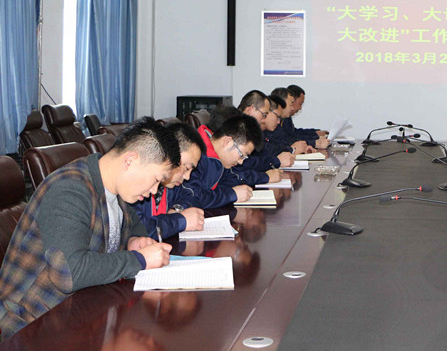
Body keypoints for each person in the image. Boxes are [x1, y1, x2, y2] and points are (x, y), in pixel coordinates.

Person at [0, 117, 176, 337]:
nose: (154, 191)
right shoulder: (70, 189)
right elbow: (69, 274)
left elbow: (133, 224)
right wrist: (139, 260)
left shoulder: (113, 186)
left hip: (79, 312)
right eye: (156, 180)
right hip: (30, 325)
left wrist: (135, 240)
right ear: (130, 160)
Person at [132, 123, 206, 241]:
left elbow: (192, 196)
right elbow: (139, 229)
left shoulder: (170, 184)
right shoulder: (137, 184)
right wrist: (181, 220)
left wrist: (176, 210)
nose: (187, 177)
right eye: (186, 168)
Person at [177, 111, 262, 209]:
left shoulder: (218, 157)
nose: (241, 161)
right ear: (227, 141)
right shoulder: (196, 156)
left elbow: (230, 178)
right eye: (241, 155)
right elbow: (194, 195)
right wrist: (232, 194)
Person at [286, 84, 329, 149]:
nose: (300, 108)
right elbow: (289, 140)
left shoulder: (286, 117)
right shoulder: (281, 119)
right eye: (300, 104)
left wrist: (315, 133)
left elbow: (295, 133)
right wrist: (315, 142)